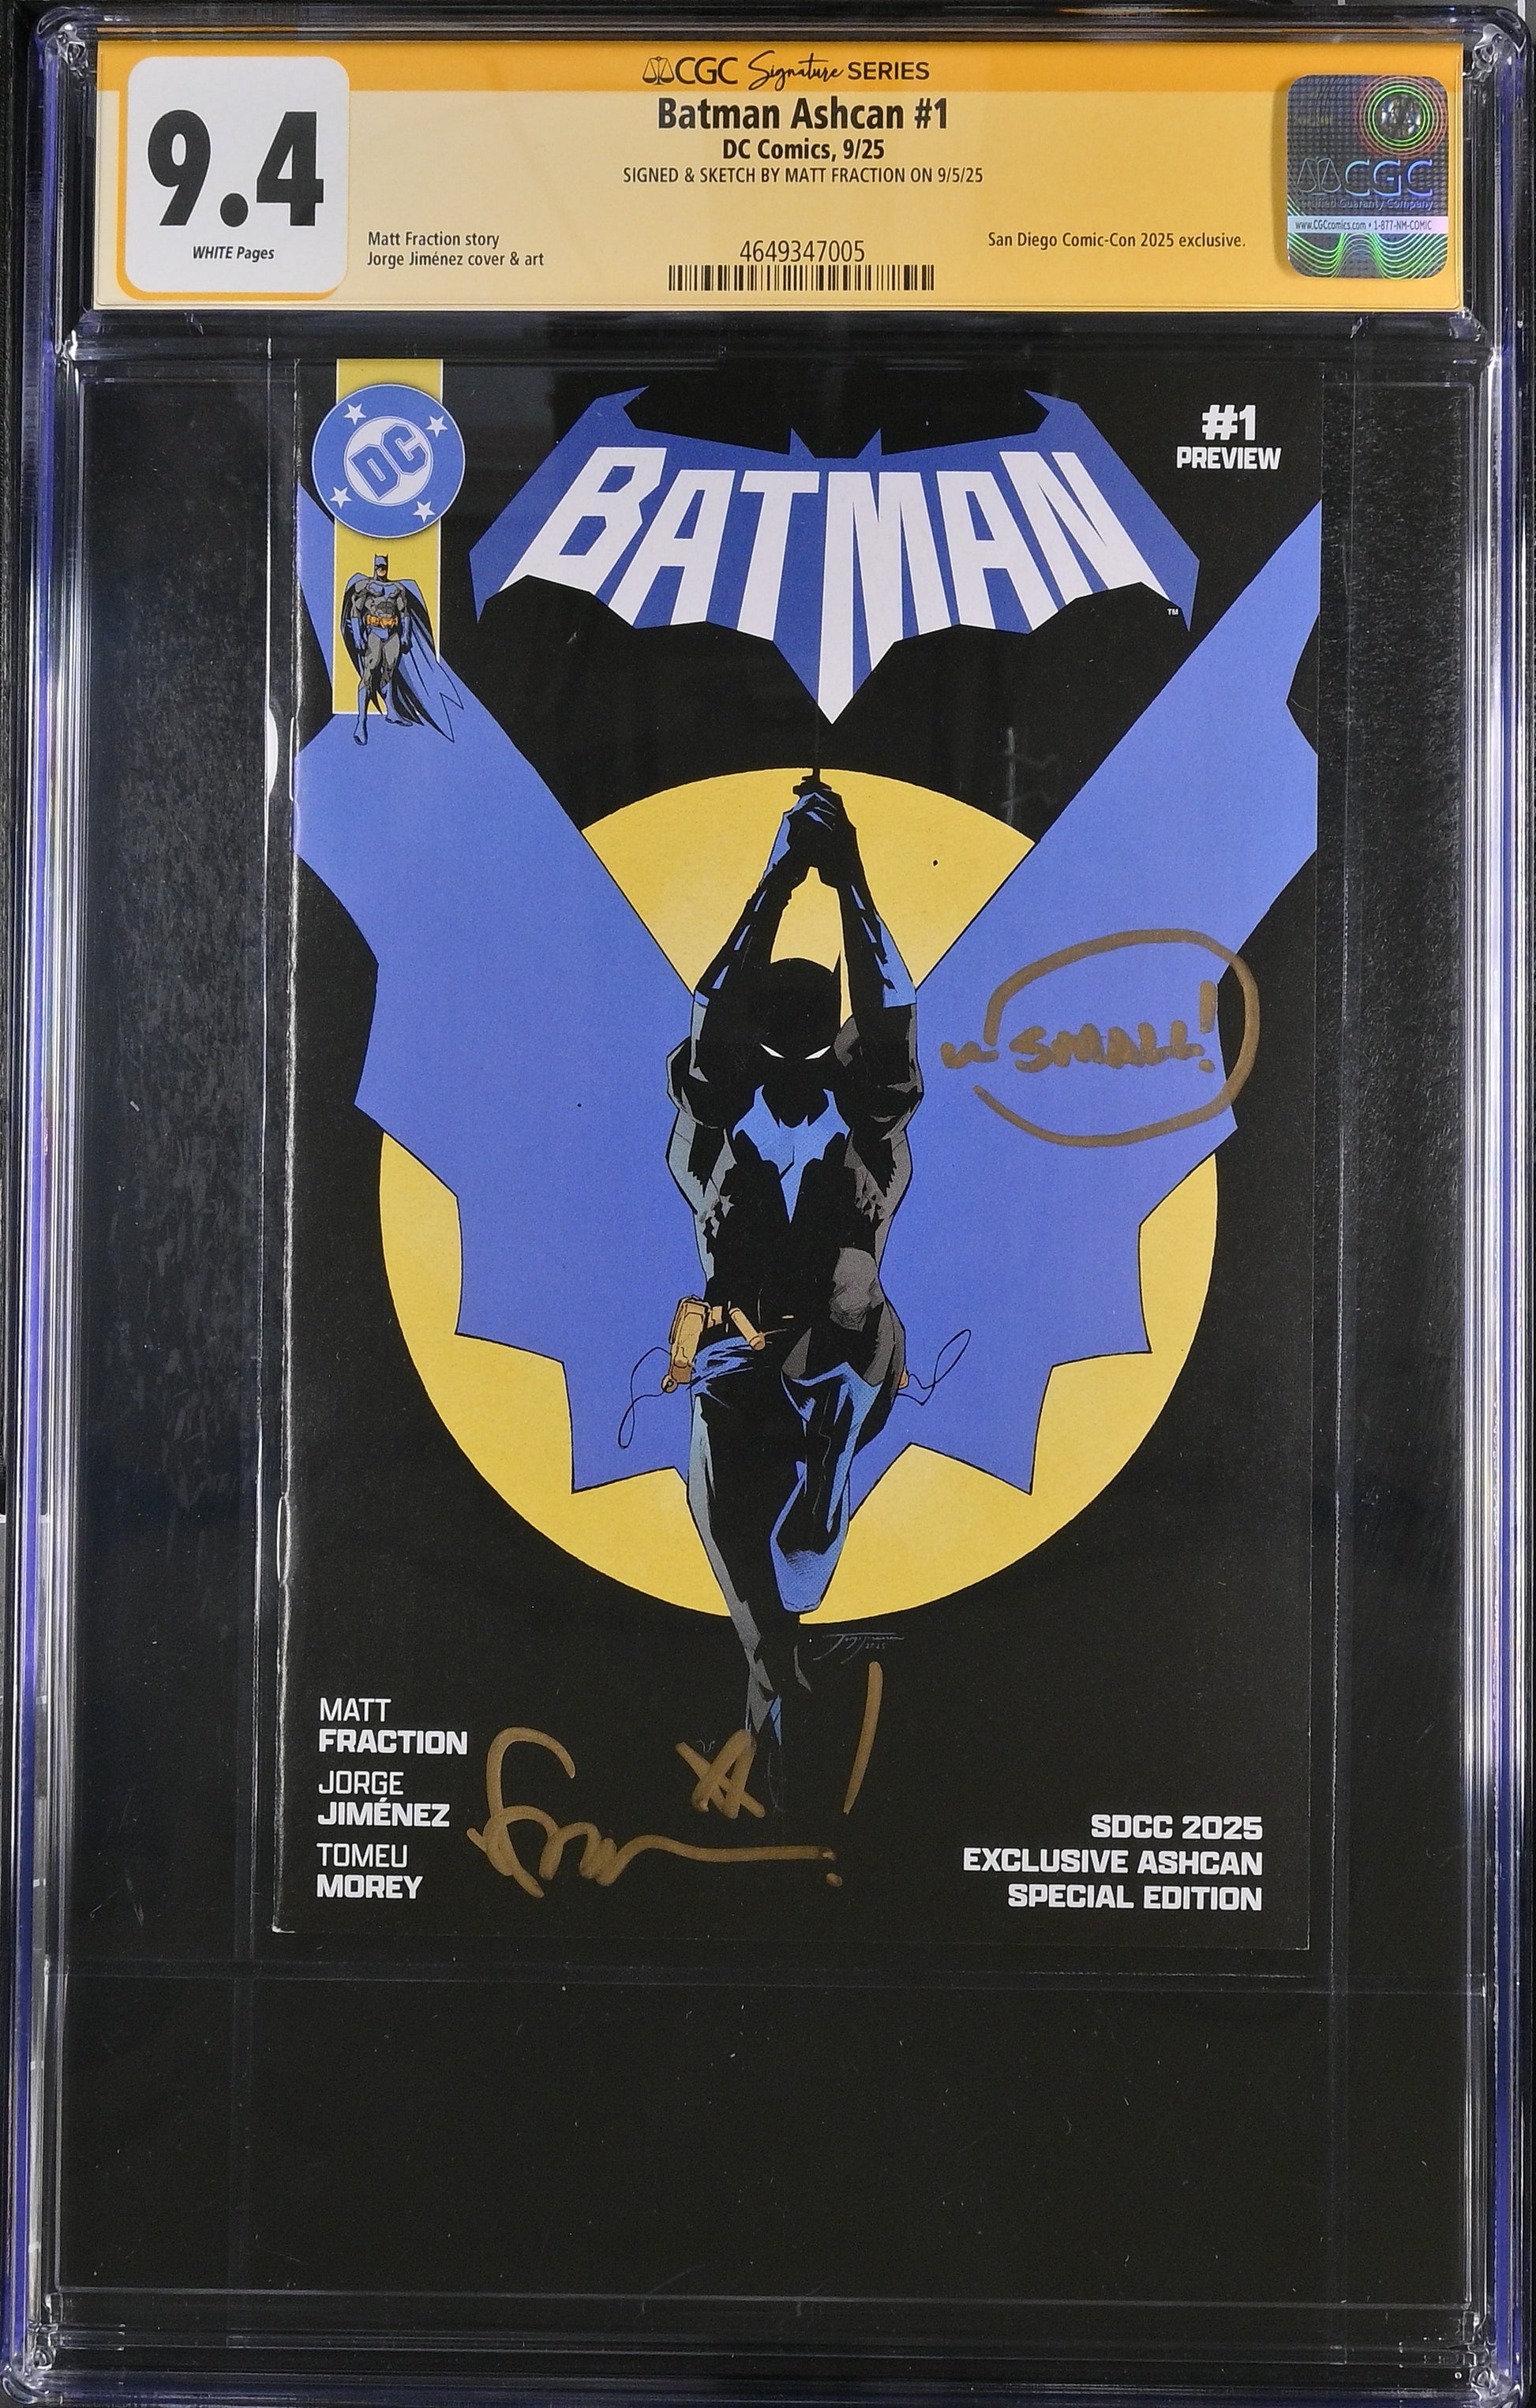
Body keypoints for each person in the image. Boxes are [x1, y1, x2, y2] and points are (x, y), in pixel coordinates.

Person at [665, 779, 921, 1755]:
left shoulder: (864, 1133)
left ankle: (833, 1446)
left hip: (840, 1353)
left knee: (792, 1559)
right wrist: (785, 878)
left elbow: (888, 1017)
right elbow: (712, 1020)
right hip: (739, 1367)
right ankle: (772, 1682)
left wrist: (836, 878)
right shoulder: (713, 1137)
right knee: (763, 1595)